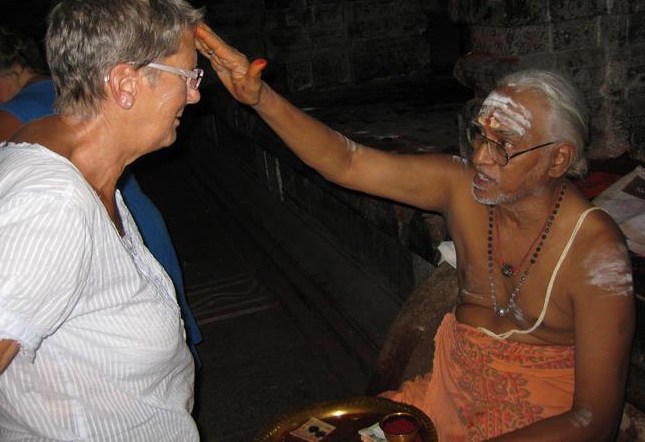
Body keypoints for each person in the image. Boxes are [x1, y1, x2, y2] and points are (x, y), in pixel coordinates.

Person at [195, 24, 636, 441]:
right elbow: (347, 163)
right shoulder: (461, 188)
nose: (481, 157)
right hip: (441, 402)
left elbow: (591, 421)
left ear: (559, 160)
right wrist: (260, 99)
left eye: (503, 145)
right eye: (479, 136)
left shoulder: (594, 253)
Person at [0, 0, 204, 441]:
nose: (195, 94)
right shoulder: (50, 207)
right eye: (187, 75)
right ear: (125, 83)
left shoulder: (76, 157)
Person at [0, 26, 202, 364]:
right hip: (140, 225)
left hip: (120, 228)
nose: (194, 95)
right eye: (186, 77)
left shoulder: (8, 118)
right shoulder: (73, 90)